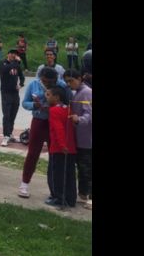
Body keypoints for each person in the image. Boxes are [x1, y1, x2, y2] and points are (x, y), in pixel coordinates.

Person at [17, 66, 66, 199]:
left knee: (55, 155)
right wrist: (34, 105)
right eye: (44, 81)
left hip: (55, 122)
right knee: (33, 153)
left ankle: (55, 188)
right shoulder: (34, 84)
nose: (47, 84)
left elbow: (67, 101)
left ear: (55, 79)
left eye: (50, 82)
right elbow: (25, 102)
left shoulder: (61, 85)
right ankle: (24, 183)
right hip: (39, 121)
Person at [44, 85, 77, 209]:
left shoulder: (54, 110)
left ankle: (58, 198)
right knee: (70, 174)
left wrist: (62, 145)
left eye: (49, 95)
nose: (47, 98)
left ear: (56, 97)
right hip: (71, 147)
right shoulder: (68, 109)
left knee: (56, 174)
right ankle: (71, 198)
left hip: (58, 148)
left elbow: (58, 129)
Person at [65, 68, 92, 209]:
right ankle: (83, 195)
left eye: (71, 81)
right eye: (67, 82)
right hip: (79, 138)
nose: (70, 84)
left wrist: (78, 119)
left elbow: (89, 115)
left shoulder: (86, 92)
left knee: (87, 169)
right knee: (82, 168)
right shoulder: (77, 93)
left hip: (87, 139)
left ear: (80, 78)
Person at [0, 49, 25, 146]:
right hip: (5, 93)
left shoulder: (16, 65)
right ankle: (5, 136)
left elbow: (22, 76)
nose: (13, 55)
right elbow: (5, 70)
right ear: (8, 54)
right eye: (12, 53)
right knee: (6, 115)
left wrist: (21, 84)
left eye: (15, 54)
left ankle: (10, 133)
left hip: (15, 93)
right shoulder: (3, 63)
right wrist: (16, 61)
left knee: (13, 114)